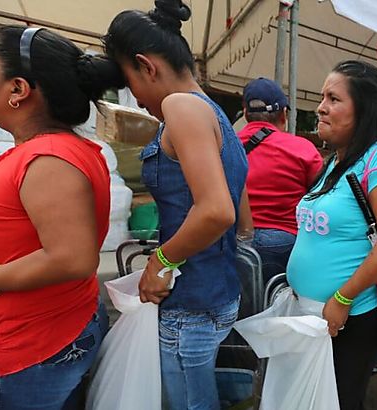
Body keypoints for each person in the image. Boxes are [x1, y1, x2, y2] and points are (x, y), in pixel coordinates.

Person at [104, 1, 249, 408]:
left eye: (130, 81)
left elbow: (218, 209)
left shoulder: (180, 107)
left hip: (191, 304)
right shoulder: (217, 114)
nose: (134, 95)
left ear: (146, 66)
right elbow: (239, 206)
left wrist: (161, 262)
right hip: (217, 290)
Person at [0, 26, 122, 408]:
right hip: (47, 333)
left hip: (31, 348)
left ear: (18, 89)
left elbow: (71, 256)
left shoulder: (48, 158)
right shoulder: (52, 151)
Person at [286, 60, 377, 409]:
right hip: (313, 311)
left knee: (340, 400)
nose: (321, 107)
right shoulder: (335, 162)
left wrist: (343, 298)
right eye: (322, 97)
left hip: (349, 319)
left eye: (333, 98)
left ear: (363, 110)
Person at [237, 77, 323, 283]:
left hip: (233, 243)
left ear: (246, 113)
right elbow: (322, 196)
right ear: (284, 114)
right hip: (282, 244)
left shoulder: (226, 146)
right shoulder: (302, 148)